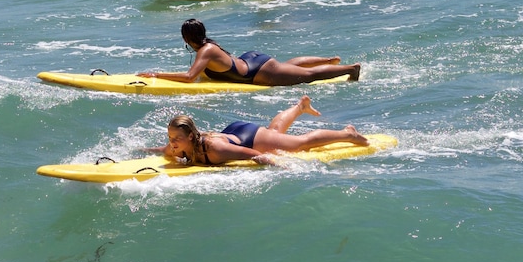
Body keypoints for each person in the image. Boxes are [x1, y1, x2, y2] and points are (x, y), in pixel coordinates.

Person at [151, 95, 369, 165]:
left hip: (248, 138)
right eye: (171, 138)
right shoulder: (176, 148)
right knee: (274, 134)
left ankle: (348, 133)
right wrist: (141, 151)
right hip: (232, 132)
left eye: (177, 138)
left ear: (190, 135)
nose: (173, 142)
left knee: (299, 145)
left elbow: (254, 154)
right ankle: (300, 107)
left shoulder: (215, 150)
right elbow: (161, 150)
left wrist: (279, 166)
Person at [139, 18, 360, 85]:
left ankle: (351, 69)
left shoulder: (205, 51)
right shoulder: (208, 46)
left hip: (257, 71)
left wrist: (156, 74)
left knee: (308, 77)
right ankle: (329, 59)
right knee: (286, 66)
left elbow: (189, 77)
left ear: (186, 38)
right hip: (251, 60)